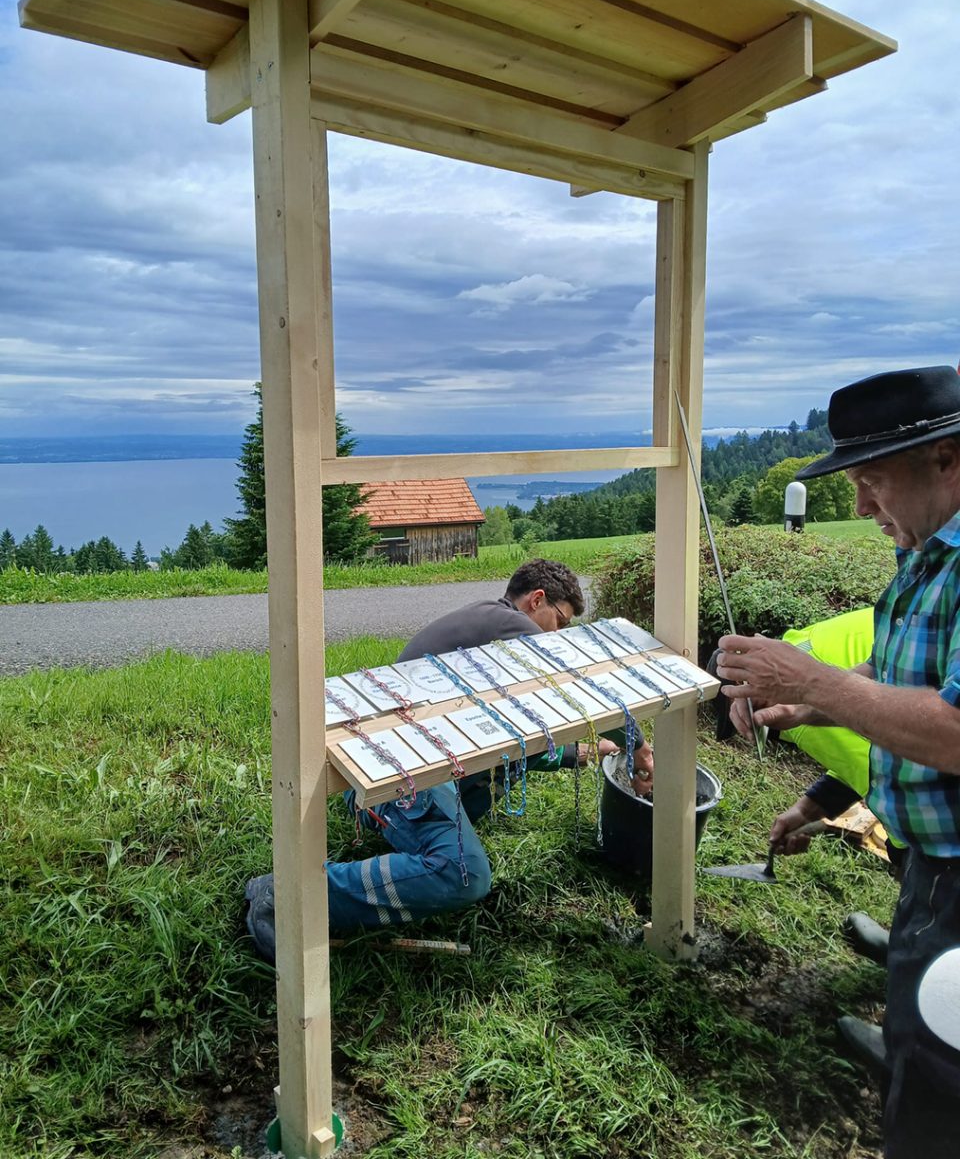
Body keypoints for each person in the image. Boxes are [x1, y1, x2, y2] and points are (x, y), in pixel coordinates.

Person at [715, 365, 960, 1159]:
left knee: (938, 1092)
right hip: (932, 861)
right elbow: (902, 679)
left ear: (946, 458)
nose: (859, 507)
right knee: (920, 1039)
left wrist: (811, 679)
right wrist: (807, 707)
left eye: (871, 480)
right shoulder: (927, 552)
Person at [246, 558, 655, 962]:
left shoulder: (489, 633)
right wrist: (637, 747)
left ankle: (381, 814)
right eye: (560, 621)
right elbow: (579, 681)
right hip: (402, 768)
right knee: (464, 874)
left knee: (506, 765)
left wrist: (580, 752)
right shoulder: (510, 625)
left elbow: (512, 736)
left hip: (393, 763)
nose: (558, 634)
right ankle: (288, 896)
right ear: (537, 600)